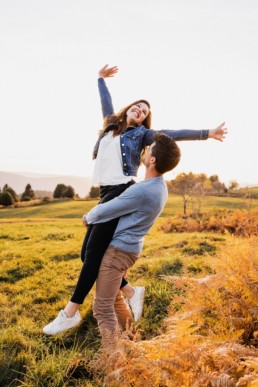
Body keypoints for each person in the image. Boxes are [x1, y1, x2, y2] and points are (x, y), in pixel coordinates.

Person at [42, 65, 227, 335]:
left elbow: (171, 135)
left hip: (120, 190)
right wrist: (100, 80)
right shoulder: (110, 124)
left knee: (92, 255)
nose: (140, 111)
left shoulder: (142, 135)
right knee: (87, 255)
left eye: (144, 112)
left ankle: (70, 312)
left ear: (143, 121)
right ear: (128, 109)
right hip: (105, 191)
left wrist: (206, 133)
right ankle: (130, 290)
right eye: (137, 106)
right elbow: (105, 103)